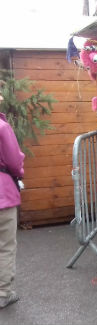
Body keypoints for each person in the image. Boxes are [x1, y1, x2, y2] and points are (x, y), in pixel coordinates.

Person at [0, 95, 24, 309]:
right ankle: (3, 293)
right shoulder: (2, 127)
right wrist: (20, 173)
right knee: (5, 246)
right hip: (2, 196)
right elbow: (15, 162)